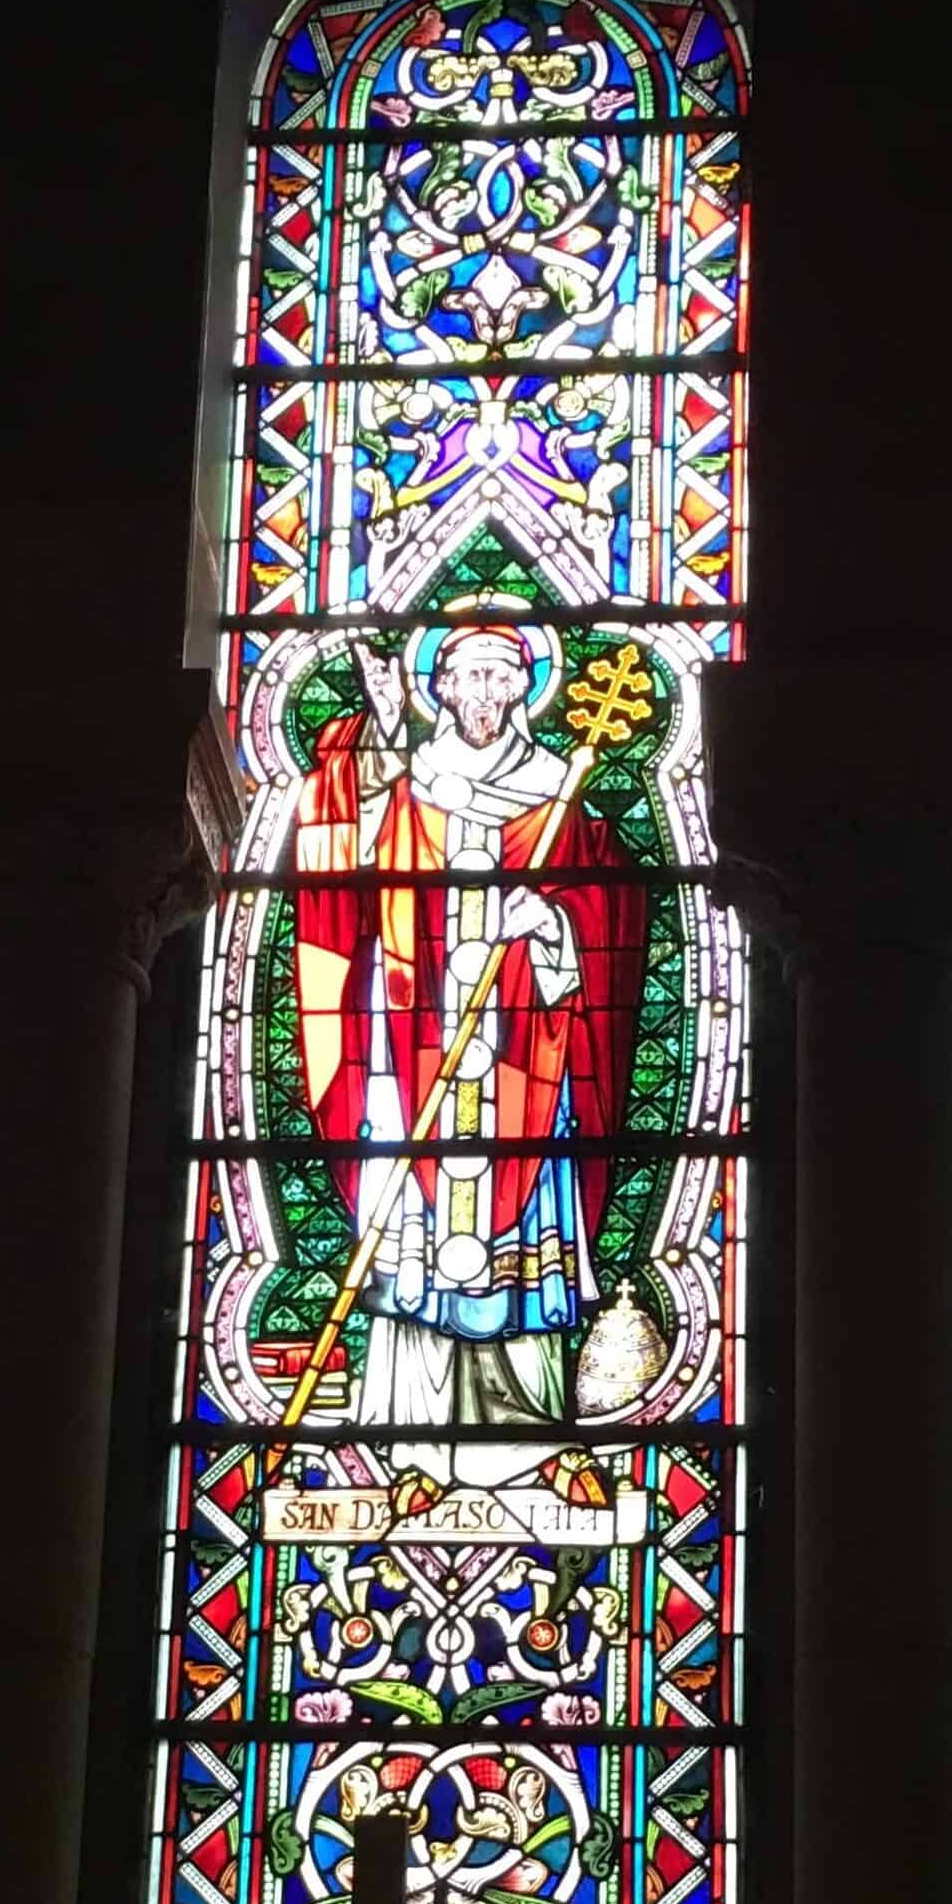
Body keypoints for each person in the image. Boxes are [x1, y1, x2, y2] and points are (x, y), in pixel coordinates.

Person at [290, 619, 641, 1475]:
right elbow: (343, 876)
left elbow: (618, 913)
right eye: (468, 677)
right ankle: (398, 1435)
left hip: (531, 1052)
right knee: (412, 1235)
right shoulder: (408, 790)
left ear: (525, 691)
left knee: (524, 1242)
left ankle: (532, 1440)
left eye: (501, 678)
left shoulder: (560, 794)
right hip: (410, 1052)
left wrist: (554, 922)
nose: (484, 694)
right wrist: (369, 743)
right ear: (439, 688)